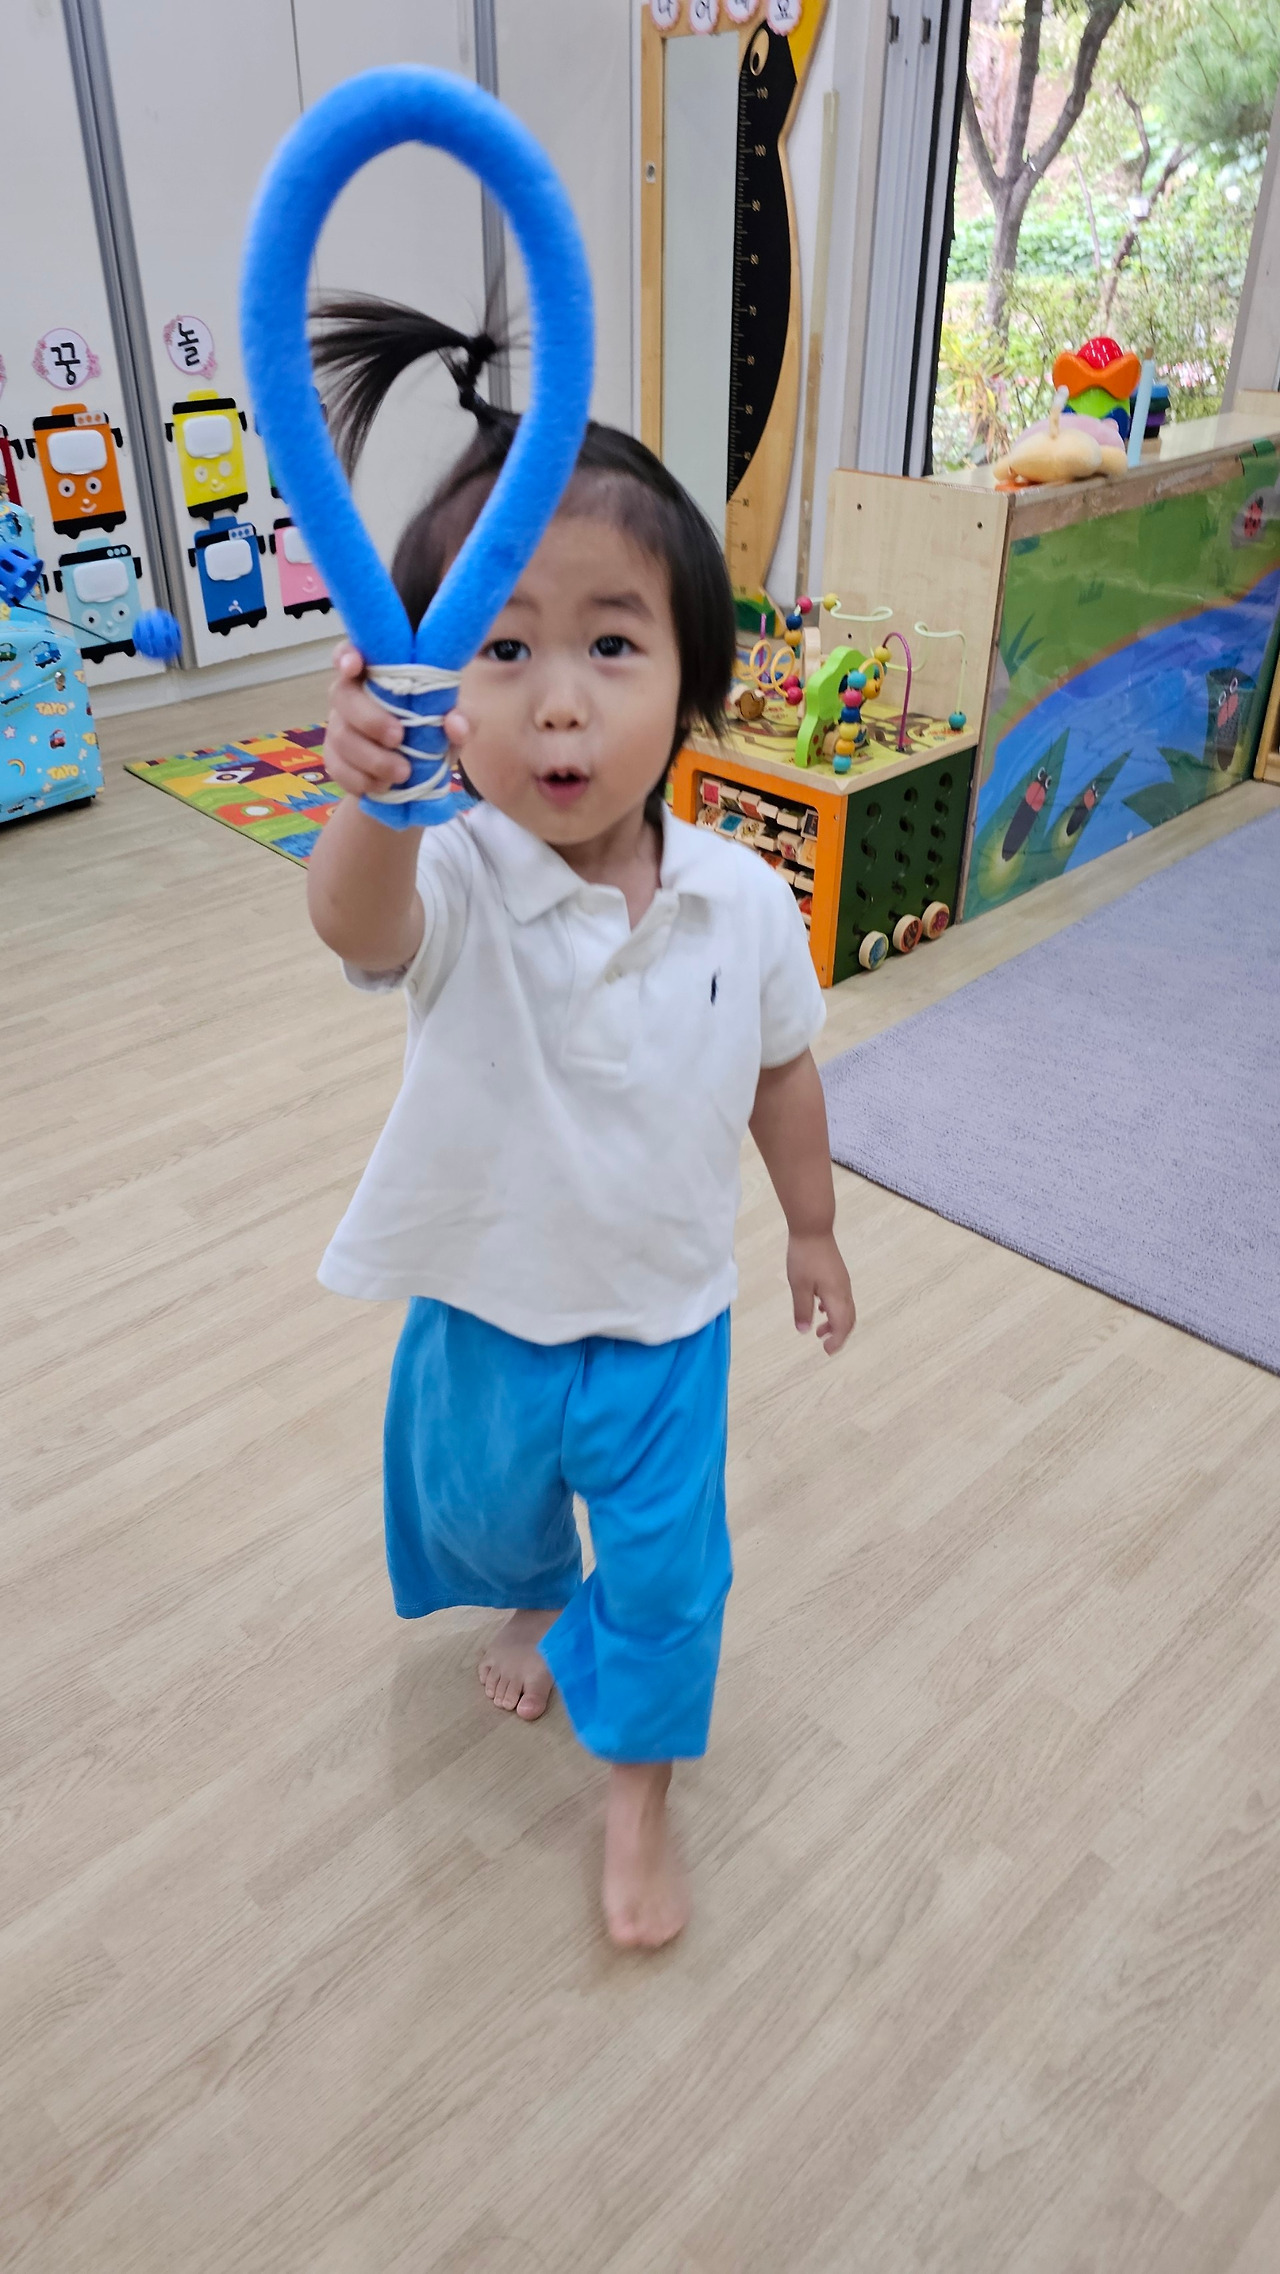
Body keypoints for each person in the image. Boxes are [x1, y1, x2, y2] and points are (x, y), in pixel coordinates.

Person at [308, 295, 856, 1950]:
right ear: (436, 687)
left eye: (611, 644)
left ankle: (639, 1794)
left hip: (666, 1320)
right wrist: (372, 796)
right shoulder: (458, 870)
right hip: (486, 1308)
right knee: (488, 1523)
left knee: (675, 1577)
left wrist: (813, 1227)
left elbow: (781, 1070)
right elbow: (356, 924)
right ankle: (540, 1592)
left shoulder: (742, 898)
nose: (558, 703)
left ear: (691, 678)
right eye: (502, 647)